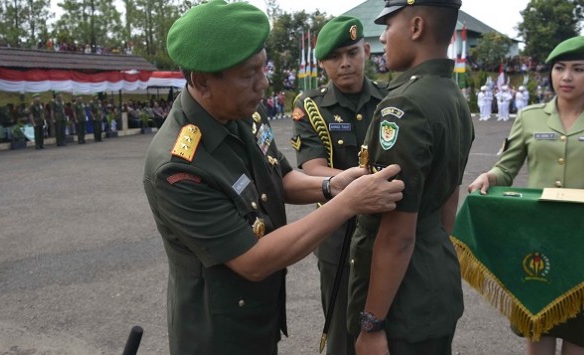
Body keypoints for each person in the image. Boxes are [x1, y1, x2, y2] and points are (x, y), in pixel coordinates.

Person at [142, 1, 405, 354]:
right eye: (249, 74)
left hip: (258, 315)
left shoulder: (241, 114)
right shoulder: (178, 167)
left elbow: (278, 177)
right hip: (216, 334)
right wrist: (348, 203)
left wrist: (331, 186)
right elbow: (253, 260)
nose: (264, 83)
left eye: (263, 67)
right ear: (202, 82)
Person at [468, 35, 584, 355]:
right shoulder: (529, 117)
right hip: (537, 243)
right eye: (559, 68)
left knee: (582, 337)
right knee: (538, 330)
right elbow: (506, 168)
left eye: (577, 69)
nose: (566, 77)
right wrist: (489, 176)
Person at [348, 1, 474, 354]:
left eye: (389, 25)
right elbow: (449, 199)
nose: (384, 37)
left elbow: (397, 235)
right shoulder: (452, 96)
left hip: (400, 303)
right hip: (432, 280)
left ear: (416, 27)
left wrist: (372, 324)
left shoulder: (404, 106)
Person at [292, 15, 387, 355]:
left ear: (366, 50)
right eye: (335, 57)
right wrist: (364, 184)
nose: (345, 63)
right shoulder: (311, 106)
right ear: (322, 64)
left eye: (351, 52)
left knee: (390, 324)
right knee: (342, 328)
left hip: (387, 228)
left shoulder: (391, 99)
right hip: (337, 231)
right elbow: (313, 167)